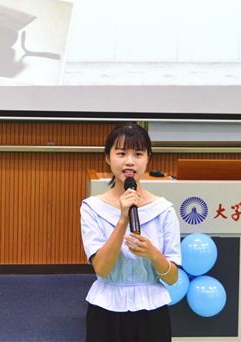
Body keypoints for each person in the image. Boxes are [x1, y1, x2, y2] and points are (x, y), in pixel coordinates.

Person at [81, 123, 181, 342]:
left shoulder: (164, 209)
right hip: (105, 309)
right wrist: (123, 219)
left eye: (138, 154)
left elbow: (173, 278)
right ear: (107, 158)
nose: (129, 161)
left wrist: (153, 254)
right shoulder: (91, 207)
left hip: (152, 311)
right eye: (121, 153)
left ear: (148, 158)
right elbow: (102, 268)